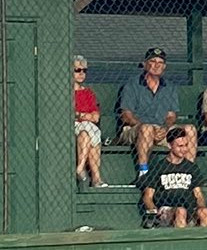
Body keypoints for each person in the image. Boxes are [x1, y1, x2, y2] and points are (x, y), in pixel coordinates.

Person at [115, 46, 179, 177]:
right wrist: (143, 126)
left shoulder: (170, 87)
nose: (156, 65)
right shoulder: (132, 85)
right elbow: (126, 115)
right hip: (135, 129)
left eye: (160, 62)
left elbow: (171, 116)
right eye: (153, 62)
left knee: (189, 130)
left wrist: (165, 128)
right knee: (147, 128)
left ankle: (188, 173)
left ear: (164, 66)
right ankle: (143, 173)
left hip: (162, 130)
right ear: (145, 64)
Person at [139, 124, 207, 228]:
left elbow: (198, 195)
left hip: (189, 207)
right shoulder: (159, 167)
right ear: (169, 145)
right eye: (180, 146)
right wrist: (153, 211)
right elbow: (148, 196)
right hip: (167, 209)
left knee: (204, 212)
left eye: (186, 145)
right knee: (180, 211)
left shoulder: (191, 167)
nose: (184, 149)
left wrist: (202, 208)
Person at [72, 55, 107, 187]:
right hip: (74, 126)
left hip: (86, 127)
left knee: (87, 132)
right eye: (77, 70)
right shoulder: (65, 92)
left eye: (84, 70)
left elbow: (95, 117)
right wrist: (85, 116)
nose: (81, 73)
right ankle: (96, 177)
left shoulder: (88, 93)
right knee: (87, 132)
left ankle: (80, 168)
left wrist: (79, 114)